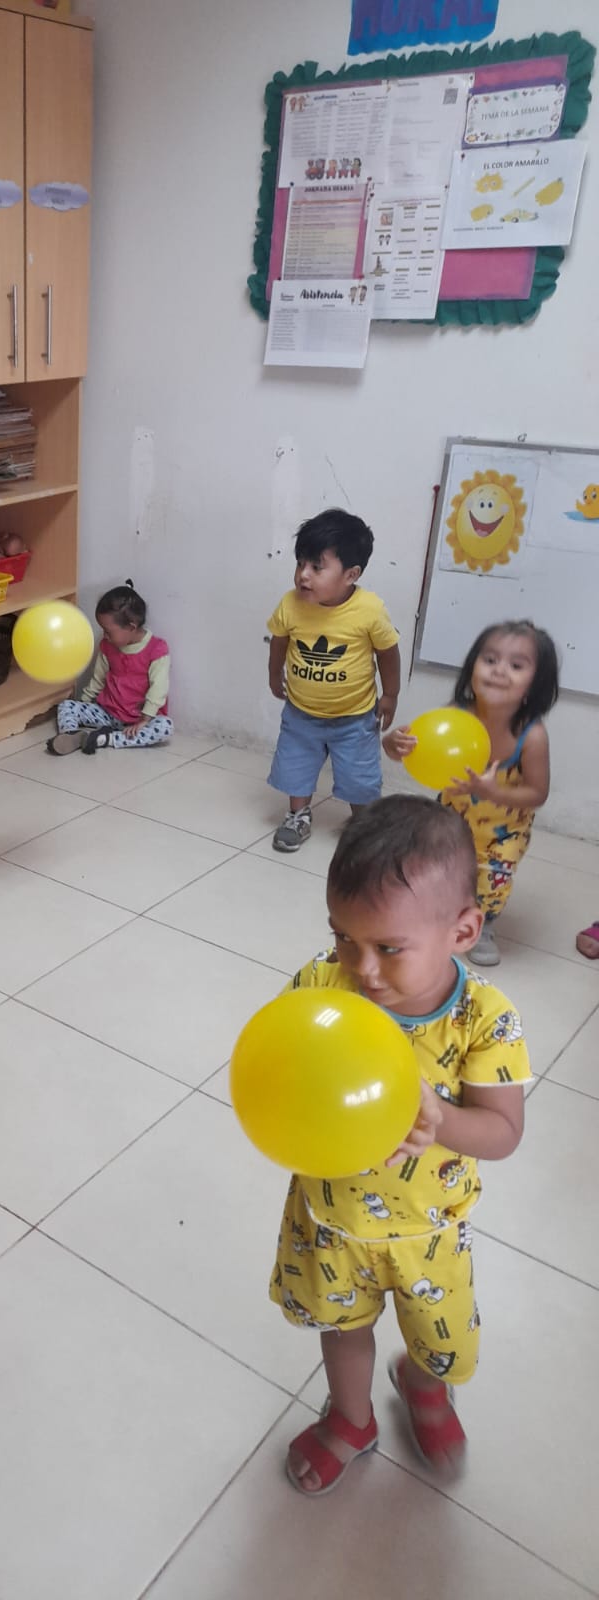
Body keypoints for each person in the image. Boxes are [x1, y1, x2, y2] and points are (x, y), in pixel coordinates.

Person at [272, 795, 529, 1496]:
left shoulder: (485, 1020)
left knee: (441, 1342)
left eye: (388, 948)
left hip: (430, 1231)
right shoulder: (322, 983)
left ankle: (422, 1384)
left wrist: (439, 1119)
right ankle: (350, 1419)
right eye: (343, 938)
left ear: (463, 930)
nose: (363, 968)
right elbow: (281, 1065)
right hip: (333, 1217)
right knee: (342, 1328)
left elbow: (503, 1132)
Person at [384, 620, 558, 967]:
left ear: (535, 684)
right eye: (489, 660)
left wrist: (494, 791)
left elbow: (537, 793)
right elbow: (409, 752)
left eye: (516, 665)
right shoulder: (455, 715)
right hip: (451, 817)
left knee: (491, 882)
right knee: (437, 866)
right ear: (471, 668)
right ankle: (436, 912)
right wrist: (392, 742)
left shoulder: (531, 735)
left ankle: (483, 923)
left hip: (503, 832)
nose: (499, 670)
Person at [267, 509, 401, 852]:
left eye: (316, 567)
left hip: (354, 717)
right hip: (301, 712)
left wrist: (390, 695)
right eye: (300, 564)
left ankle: (364, 825)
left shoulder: (369, 609)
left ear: (351, 574)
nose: (303, 575)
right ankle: (297, 815)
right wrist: (274, 674)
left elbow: (387, 652)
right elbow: (280, 641)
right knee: (296, 765)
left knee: (359, 776)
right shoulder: (290, 604)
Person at [47, 581, 172, 755]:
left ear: (131, 627)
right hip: (108, 713)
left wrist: (145, 719)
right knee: (66, 706)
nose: (104, 635)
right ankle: (72, 736)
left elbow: (159, 688)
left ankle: (105, 739)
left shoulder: (156, 649)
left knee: (165, 727)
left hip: (139, 719)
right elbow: (98, 679)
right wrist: (84, 702)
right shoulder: (107, 646)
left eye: (108, 631)